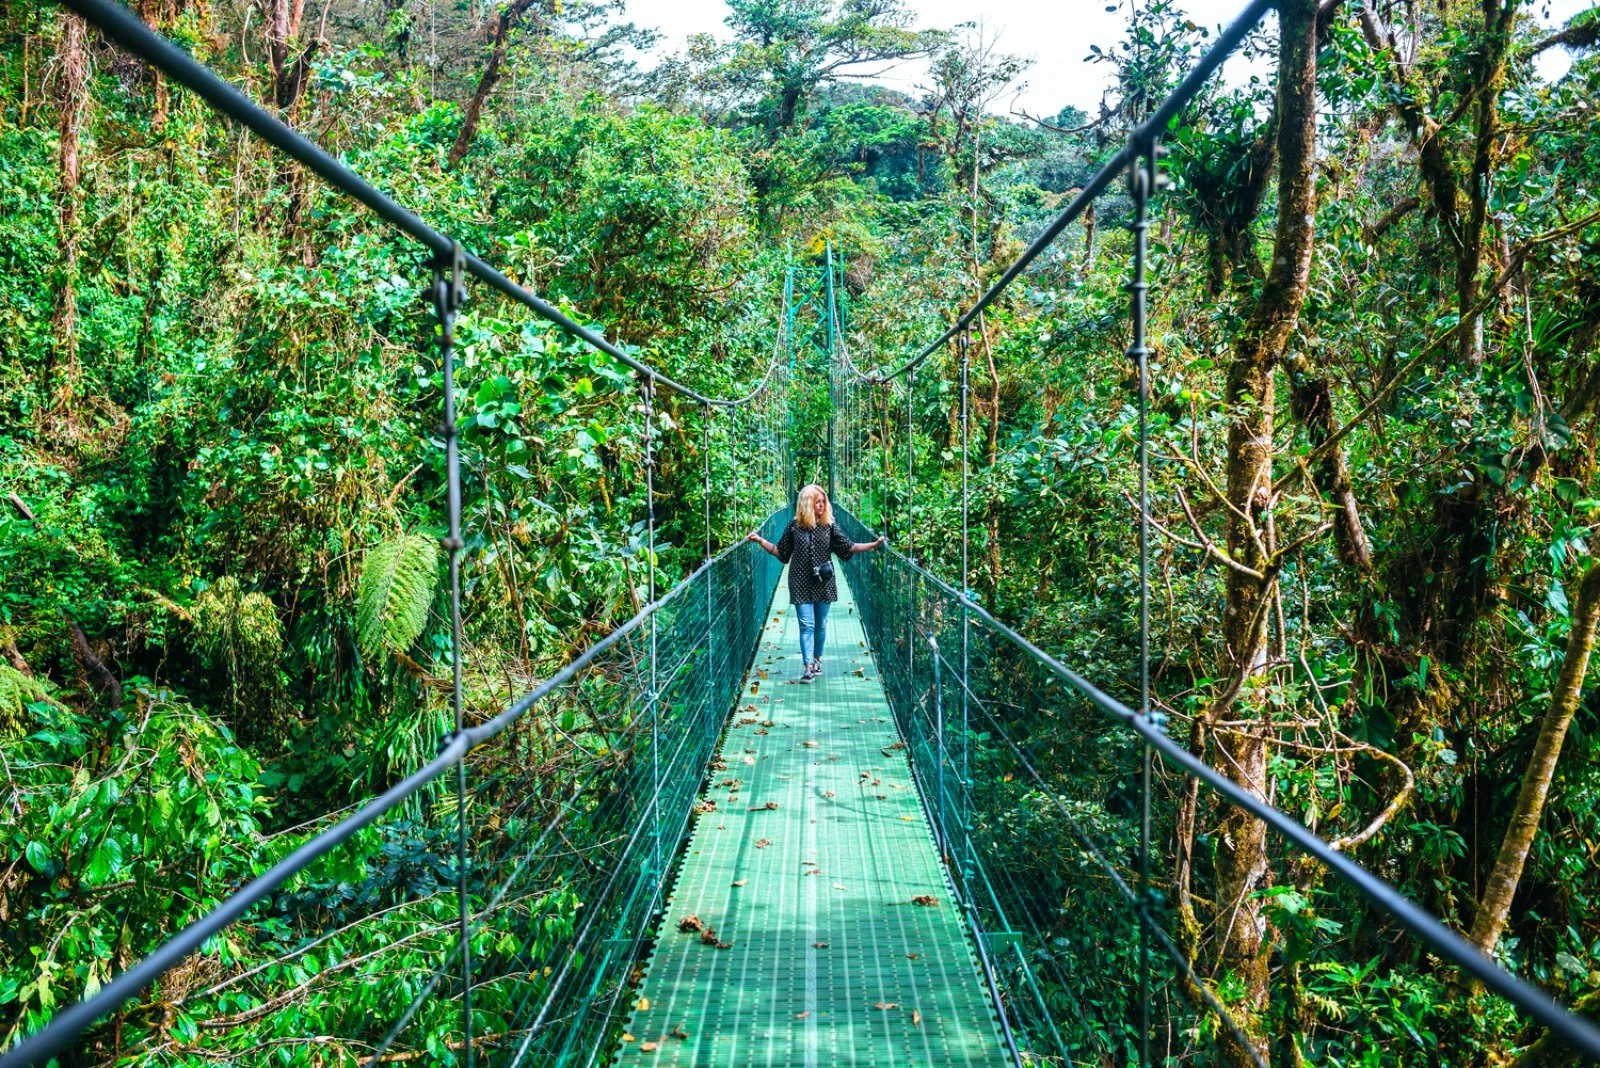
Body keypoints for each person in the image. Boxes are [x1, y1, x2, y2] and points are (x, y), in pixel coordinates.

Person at [747, 484, 886, 683]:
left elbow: (849, 546)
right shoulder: (794, 526)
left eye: (823, 501)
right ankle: (808, 667)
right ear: (807, 503)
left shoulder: (829, 525)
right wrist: (760, 540)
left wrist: (873, 545)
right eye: (817, 501)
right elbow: (781, 552)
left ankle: (817, 659)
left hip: (823, 582)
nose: (821, 505)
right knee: (806, 625)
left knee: (820, 625)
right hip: (799, 581)